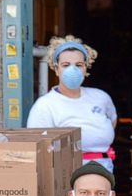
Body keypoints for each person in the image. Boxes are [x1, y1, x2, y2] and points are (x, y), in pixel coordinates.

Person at [27, 36, 117, 171]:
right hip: (67, 174)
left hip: (104, 171)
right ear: (56, 69)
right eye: (66, 65)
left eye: (79, 65)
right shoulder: (45, 105)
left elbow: (112, 120)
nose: (72, 70)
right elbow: (37, 147)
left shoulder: (101, 97)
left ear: (86, 68)